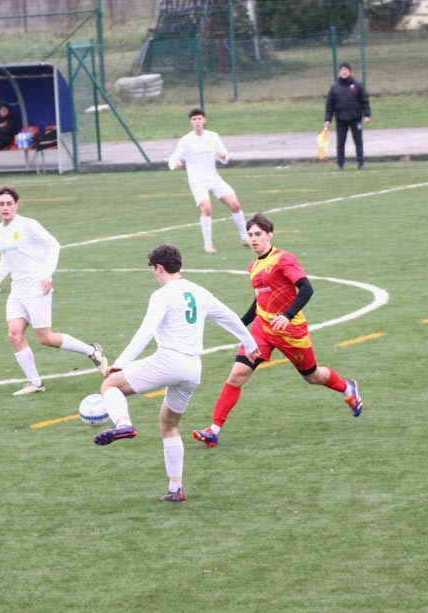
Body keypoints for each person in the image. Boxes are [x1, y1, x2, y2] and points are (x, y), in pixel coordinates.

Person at [93, 243, 259, 503]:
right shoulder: (200, 292)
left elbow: (145, 332)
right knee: (169, 426)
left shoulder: (162, 295)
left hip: (168, 361)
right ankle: (175, 488)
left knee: (110, 386)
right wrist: (250, 344)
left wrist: (121, 363)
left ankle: (123, 424)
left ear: (159, 268)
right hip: (193, 369)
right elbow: (228, 316)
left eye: (153, 269)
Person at [192, 212, 363, 449]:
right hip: (262, 330)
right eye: (250, 235)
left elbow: (306, 288)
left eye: (258, 234)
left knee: (312, 376)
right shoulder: (253, 266)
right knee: (237, 374)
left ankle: (347, 388)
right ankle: (214, 430)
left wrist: (287, 315)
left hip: (290, 331)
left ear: (269, 235)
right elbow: (260, 300)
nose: (253, 239)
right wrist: (240, 324)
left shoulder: (283, 259)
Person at [0, 185, 109, 395]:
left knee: (46, 338)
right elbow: (7, 259)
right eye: (1, 204)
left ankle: (92, 351)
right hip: (17, 290)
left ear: (16, 205)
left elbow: (53, 245)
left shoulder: (28, 225)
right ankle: (35, 382)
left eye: (9, 204)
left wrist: (47, 275)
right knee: (14, 335)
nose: (5, 207)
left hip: (37, 286)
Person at [168, 108, 249, 254]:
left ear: (204, 120)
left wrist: (223, 156)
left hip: (213, 178)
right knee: (206, 208)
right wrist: (175, 164)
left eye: (199, 119)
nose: (197, 122)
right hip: (197, 181)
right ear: (190, 122)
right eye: (194, 119)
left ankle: (245, 238)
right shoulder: (186, 141)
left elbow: (224, 157)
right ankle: (208, 244)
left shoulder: (213, 136)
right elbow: (173, 159)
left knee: (235, 205)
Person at [324, 61, 371, 171]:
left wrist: (367, 114)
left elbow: (364, 101)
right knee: (340, 143)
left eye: (346, 70)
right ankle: (340, 164)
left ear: (350, 72)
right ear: (339, 72)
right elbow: (329, 105)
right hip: (341, 119)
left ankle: (360, 162)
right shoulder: (335, 88)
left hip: (355, 118)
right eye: (342, 70)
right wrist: (327, 119)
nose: (344, 72)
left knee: (358, 141)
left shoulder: (357, 86)